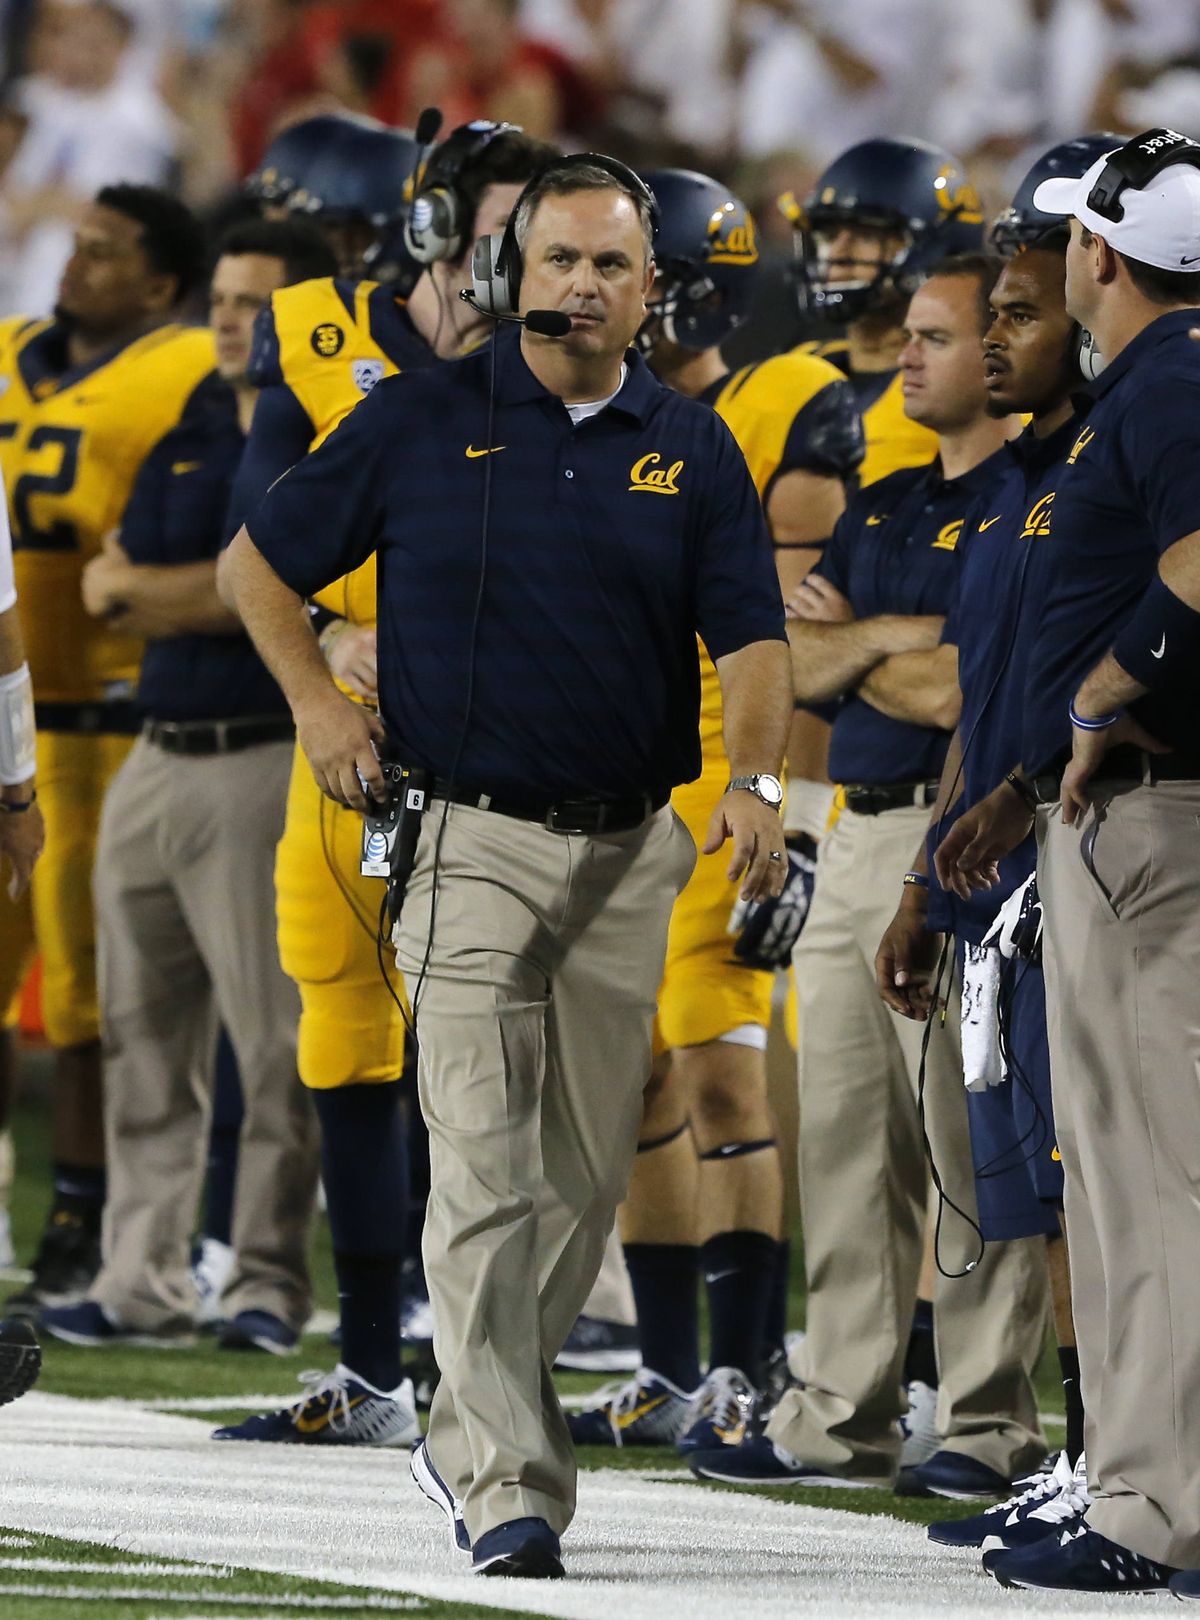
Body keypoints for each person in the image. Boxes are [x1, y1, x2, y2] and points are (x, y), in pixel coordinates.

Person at [223, 154, 791, 1577]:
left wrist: (762, 785)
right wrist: (315, 700)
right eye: (555, 262)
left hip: (627, 847)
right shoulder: (416, 420)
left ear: (653, 290)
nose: (580, 287)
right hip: (464, 834)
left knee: (583, 1174)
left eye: (609, 265)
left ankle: (474, 1420)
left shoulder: (694, 446)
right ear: (507, 276)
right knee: (480, 1157)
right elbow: (255, 568)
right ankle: (504, 1483)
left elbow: (759, 638)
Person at [216, 118, 559, 1444]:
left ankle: (493, 1364)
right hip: (350, 750)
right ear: (428, 226)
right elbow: (266, 538)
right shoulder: (311, 335)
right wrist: (320, 678)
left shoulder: (562, 357)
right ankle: (369, 1366)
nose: (522, 260)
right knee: (346, 1044)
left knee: (491, 1063)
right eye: (499, 229)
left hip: (506, 750)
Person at [689, 252, 1051, 1499]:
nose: (909, 352)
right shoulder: (885, 505)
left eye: (940, 336)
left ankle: (986, 1419)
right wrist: (888, 647)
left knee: (960, 1137)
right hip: (849, 828)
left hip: (959, 837)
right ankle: (841, 1410)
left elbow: (968, 691)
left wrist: (862, 653)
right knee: (842, 1133)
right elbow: (788, 653)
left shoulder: (1030, 497)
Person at [932, 128, 1200, 1597]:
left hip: (1161, 813)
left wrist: (1106, 696)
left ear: (1100, 250)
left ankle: (1158, 1512)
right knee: (1122, 1183)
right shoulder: (1155, 385)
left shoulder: (1172, 379)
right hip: (1117, 811)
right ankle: (1129, 1482)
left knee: (1152, 1187)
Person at [568, 166, 863, 1448]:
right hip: (621, 788)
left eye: (622, 273)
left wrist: (786, 815)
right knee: (635, 1081)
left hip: (731, 788)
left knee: (723, 1078)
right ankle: (674, 1366)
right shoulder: (595, 417)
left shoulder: (787, 404)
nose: (592, 298)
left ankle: (744, 1372)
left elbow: (797, 638)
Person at [876, 137, 1119, 1555]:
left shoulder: (1130, 450)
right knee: (1044, 1182)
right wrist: (924, 887)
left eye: (1026, 309)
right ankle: (1098, 1445)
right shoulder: (1022, 482)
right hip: (1003, 874)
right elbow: (984, 702)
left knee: (1107, 1176)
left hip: (1100, 842)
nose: (1008, 334)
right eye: (1001, 313)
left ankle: (1119, 1452)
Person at [36, 219, 337, 1354]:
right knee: (140, 1036)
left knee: (271, 1045)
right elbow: (122, 578)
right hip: (153, 755)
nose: (227, 320)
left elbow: (239, 594)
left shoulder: (318, 431)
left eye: (254, 303)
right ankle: (141, 1275)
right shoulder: (189, 424)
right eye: (219, 298)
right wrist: (167, 590)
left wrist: (148, 591)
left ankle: (264, 1281)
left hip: (262, 756)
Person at [0, 184, 214, 1324]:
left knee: (87, 993)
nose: (75, 265)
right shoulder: (7, 348)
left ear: (160, 285)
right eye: (74, 244)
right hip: (11, 723)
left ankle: (81, 1213)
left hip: (103, 723)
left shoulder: (183, 369)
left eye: (105, 251)